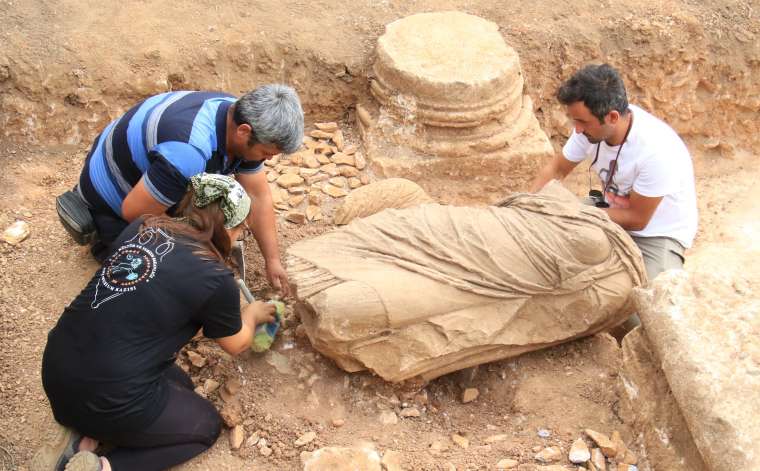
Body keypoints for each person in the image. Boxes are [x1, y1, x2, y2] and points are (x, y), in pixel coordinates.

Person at [31, 174, 276, 471]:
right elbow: (236, 344)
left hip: (57, 370)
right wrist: (251, 314)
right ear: (227, 228)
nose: (240, 236)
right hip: (108, 395)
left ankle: (83, 438)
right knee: (206, 425)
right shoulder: (215, 278)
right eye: (241, 230)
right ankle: (105, 467)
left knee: (181, 385)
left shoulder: (142, 227)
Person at [76, 84, 303, 295]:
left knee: (207, 224)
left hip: (151, 170)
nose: (269, 159)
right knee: (173, 277)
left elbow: (257, 195)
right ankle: (106, 240)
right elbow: (134, 211)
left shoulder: (237, 115)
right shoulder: (189, 151)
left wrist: (272, 260)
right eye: (267, 153)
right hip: (113, 197)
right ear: (244, 132)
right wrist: (199, 252)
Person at [530, 64, 698, 331]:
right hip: (607, 211)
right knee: (542, 245)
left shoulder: (655, 151)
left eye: (582, 122)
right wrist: (528, 204)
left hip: (656, 234)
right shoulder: (589, 130)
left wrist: (578, 214)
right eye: (575, 120)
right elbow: (557, 169)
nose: (577, 129)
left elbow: (638, 219)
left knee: (641, 318)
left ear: (611, 117)